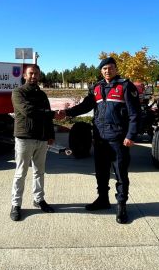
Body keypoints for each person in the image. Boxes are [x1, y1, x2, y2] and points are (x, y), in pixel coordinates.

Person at [56, 57, 140, 224]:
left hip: (118, 139)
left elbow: (134, 114)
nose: (107, 71)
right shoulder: (97, 88)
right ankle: (102, 199)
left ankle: (121, 205)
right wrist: (67, 113)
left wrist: (131, 135)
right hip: (100, 139)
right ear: (101, 71)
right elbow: (85, 106)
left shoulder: (124, 86)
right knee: (101, 173)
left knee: (120, 174)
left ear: (116, 69)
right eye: (104, 68)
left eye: (110, 68)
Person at [10, 64, 56, 221]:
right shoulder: (18, 92)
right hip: (24, 138)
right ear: (24, 75)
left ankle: (39, 200)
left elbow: (47, 118)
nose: (33, 76)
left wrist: (50, 134)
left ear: (39, 75)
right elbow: (28, 111)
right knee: (20, 173)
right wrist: (49, 113)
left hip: (42, 139)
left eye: (36, 74)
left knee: (39, 172)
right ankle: (16, 204)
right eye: (30, 73)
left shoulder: (42, 95)